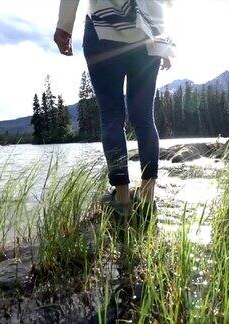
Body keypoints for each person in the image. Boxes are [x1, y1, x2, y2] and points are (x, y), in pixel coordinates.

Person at [54, 0, 175, 216]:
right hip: (147, 36)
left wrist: (64, 25)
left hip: (104, 30)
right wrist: (163, 44)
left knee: (112, 116)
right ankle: (147, 198)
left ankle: (122, 200)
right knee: (144, 118)